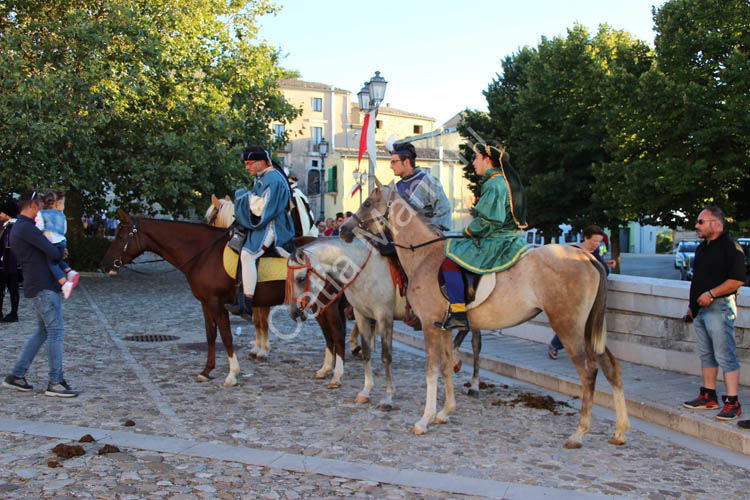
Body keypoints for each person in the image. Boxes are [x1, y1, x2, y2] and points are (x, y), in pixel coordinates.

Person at [440, 141, 530, 330]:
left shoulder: (494, 184)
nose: (473, 162)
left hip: (496, 240)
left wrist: (466, 231)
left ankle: (458, 314)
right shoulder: (503, 181)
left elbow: (490, 221)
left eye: (476, 158)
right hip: (506, 236)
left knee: (450, 260)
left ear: (487, 160)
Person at [2, 193, 78, 397]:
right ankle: (55, 381)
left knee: (43, 331)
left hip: (38, 282)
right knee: (56, 330)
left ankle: (17, 375)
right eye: (41, 206)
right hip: (43, 283)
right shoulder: (27, 228)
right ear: (33, 206)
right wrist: (60, 252)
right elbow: (52, 252)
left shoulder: (22, 226)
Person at [682, 205, 745, 422]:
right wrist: (692, 307)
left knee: (725, 355)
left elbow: (737, 280)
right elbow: (698, 279)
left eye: (701, 222)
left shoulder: (731, 247)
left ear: (715, 223)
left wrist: (711, 293)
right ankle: (708, 395)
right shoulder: (702, 248)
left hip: (720, 308)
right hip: (701, 310)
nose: (696, 225)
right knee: (707, 355)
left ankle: (732, 402)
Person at [225, 147, 295, 318]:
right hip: (267, 222)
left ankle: (248, 302)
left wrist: (242, 197)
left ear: (261, 162)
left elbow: (262, 209)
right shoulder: (264, 178)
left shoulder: (273, 179)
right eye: (246, 164)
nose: (247, 167)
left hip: (272, 225)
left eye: (249, 164)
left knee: (248, 255)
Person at [548, 225, 615, 359]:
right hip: (573, 294)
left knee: (588, 323)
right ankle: (555, 345)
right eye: (594, 241)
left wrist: (606, 265)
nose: (597, 244)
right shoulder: (573, 251)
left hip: (591, 294)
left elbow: (599, 268)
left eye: (599, 241)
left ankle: (584, 351)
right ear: (586, 238)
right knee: (573, 323)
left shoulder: (596, 253)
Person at [389, 142, 451, 230]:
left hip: (427, 241)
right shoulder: (396, 187)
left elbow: (444, 209)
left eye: (393, 162)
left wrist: (430, 233)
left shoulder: (428, 181)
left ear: (406, 162)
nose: (391, 166)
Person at [35, 190, 80, 299]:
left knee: (52, 264)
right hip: (61, 242)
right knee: (58, 260)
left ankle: (64, 283)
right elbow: (64, 230)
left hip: (51, 243)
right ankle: (69, 271)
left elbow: (39, 228)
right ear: (57, 203)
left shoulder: (42, 214)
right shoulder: (62, 215)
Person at [0, 200, 21, 322]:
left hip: (10, 263)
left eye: (2, 212)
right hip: (7, 263)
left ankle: (14, 313)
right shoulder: (7, 226)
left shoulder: (12, 227)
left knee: (12, 289)